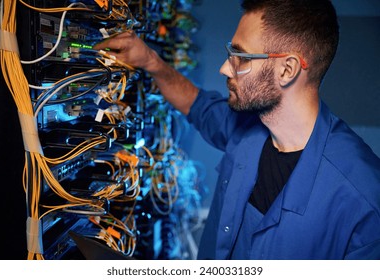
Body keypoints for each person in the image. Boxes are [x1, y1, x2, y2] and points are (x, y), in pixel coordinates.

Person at [94, 0, 380, 259]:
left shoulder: (363, 198)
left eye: (241, 58)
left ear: (287, 70)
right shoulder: (247, 129)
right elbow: (197, 105)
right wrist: (150, 61)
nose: (225, 69)